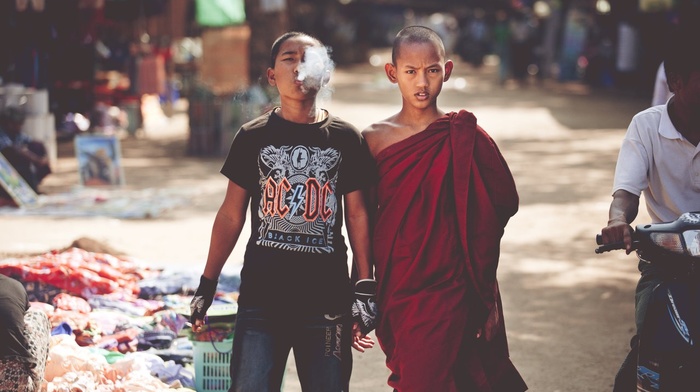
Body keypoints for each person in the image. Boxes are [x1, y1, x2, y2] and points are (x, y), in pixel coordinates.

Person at [189, 31, 378, 392]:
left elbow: (358, 216)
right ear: (272, 75)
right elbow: (231, 215)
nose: (298, 67)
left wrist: (365, 287)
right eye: (288, 59)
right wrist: (207, 283)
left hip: (327, 303)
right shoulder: (252, 137)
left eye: (307, 59)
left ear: (323, 73)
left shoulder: (345, 139)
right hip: (263, 300)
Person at [361, 26, 527, 391]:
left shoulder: (463, 134)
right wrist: (362, 283)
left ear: (446, 71)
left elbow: (502, 202)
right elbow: (362, 217)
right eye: (411, 71)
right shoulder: (373, 139)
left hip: (451, 282)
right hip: (398, 282)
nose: (422, 82)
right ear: (393, 74)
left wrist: (477, 277)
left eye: (432, 70)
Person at [599, 24, 700, 391]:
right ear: (674, 81)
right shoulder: (646, 127)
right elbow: (626, 192)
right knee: (650, 346)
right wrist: (616, 222)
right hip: (668, 263)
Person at [0, 106, 51, 199]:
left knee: (36, 147)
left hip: (18, 162)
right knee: (20, 157)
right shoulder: (2, 133)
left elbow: (32, 141)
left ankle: (32, 188)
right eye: (17, 124)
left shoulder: (16, 133)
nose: (20, 126)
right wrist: (35, 159)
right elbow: (11, 149)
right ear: (9, 124)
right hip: (4, 167)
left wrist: (44, 156)